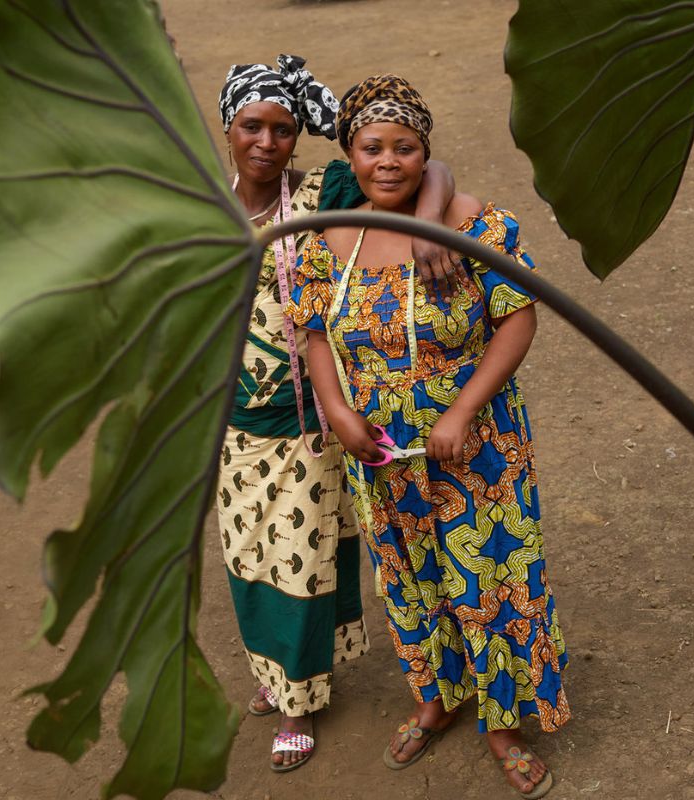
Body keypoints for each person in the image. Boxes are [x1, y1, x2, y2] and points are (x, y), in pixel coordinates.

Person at [286, 74, 568, 799]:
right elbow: (314, 331)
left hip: (477, 446)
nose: (388, 162)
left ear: (425, 153)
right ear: (351, 155)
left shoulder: (475, 225)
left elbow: (517, 317)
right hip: (378, 453)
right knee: (410, 578)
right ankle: (437, 697)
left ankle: (504, 725)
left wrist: (462, 412)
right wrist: (339, 413)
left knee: (491, 578)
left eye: (404, 148)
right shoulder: (330, 238)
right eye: (372, 147)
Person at [215, 55, 458, 773]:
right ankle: (281, 670)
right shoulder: (200, 209)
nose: (266, 142)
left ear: (298, 138)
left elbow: (428, 171)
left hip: (308, 419)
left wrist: (431, 224)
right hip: (231, 423)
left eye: (283, 129)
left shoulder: (323, 191)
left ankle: (297, 702)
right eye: (252, 126)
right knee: (246, 557)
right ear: (227, 127)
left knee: (302, 562)